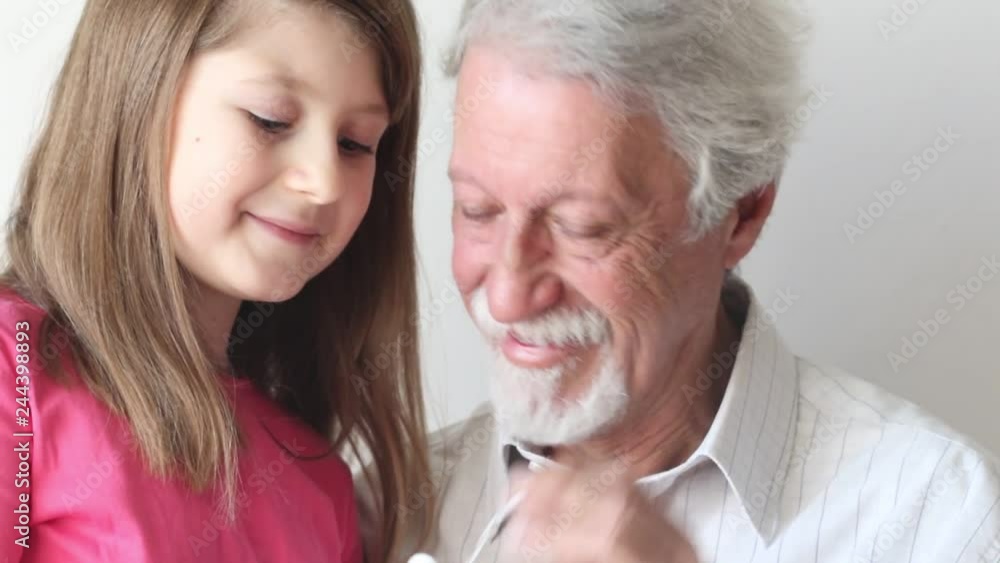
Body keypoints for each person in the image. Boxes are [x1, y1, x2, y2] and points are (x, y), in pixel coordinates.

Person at [369, 0, 1000, 561]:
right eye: (478, 210)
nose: (508, 297)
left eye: (584, 227)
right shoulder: (380, 513)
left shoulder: (942, 520)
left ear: (742, 212)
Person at [0, 0, 432, 561]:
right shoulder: (16, 373)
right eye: (270, 119)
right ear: (137, 91)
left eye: (354, 143)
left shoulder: (322, 489)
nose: (324, 182)